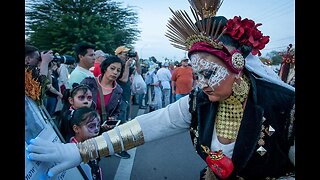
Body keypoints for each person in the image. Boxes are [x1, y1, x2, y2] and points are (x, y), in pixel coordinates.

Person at [26, 1, 295, 179]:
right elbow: (147, 126)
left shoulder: (285, 106)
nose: (202, 83)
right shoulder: (198, 101)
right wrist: (79, 152)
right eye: (197, 73)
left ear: (237, 64)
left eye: (210, 72)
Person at [80, 55, 124, 133]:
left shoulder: (118, 91)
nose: (115, 72)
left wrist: (112, 119)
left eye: (118, 70)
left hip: (101, 131)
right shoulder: (88, 83)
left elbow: (117, 112)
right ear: (105, 68)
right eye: (112, 68)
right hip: (82, 128)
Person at [113, 45, 141, 159]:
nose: (127, 56)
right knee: (120, 124)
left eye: (127, 53)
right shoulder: (116, 66)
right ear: (118, 55)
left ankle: (117, 147)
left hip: (125, 96)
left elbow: (139, 72)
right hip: (118, 98)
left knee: (122, 123)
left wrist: (137, 61)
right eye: (124, 54)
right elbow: (123, 80)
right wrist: (127, 66)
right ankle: (118, 149)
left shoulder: (126, 65)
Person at [68, 107, 103, 180]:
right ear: (76, 129)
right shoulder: (72, 153)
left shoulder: (90, 143)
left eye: (98, 125)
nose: (97, 130)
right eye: (91, 126)